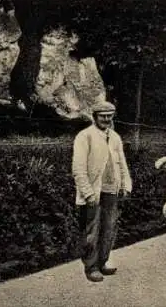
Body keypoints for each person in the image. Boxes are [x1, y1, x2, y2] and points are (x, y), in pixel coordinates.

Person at [72, 101, 132, 282]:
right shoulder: (85, 137)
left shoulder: (115, 137)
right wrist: (88, 193)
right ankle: (91, 267)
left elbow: (122, 163)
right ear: (95, 116)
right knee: (92, 230)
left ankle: (103, 262)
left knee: (109, 228)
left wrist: (125, 185)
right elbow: (78, 168)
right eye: (102, 116)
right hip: (93, 192)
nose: (106, 119)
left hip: (111, 190)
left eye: (109, 116)